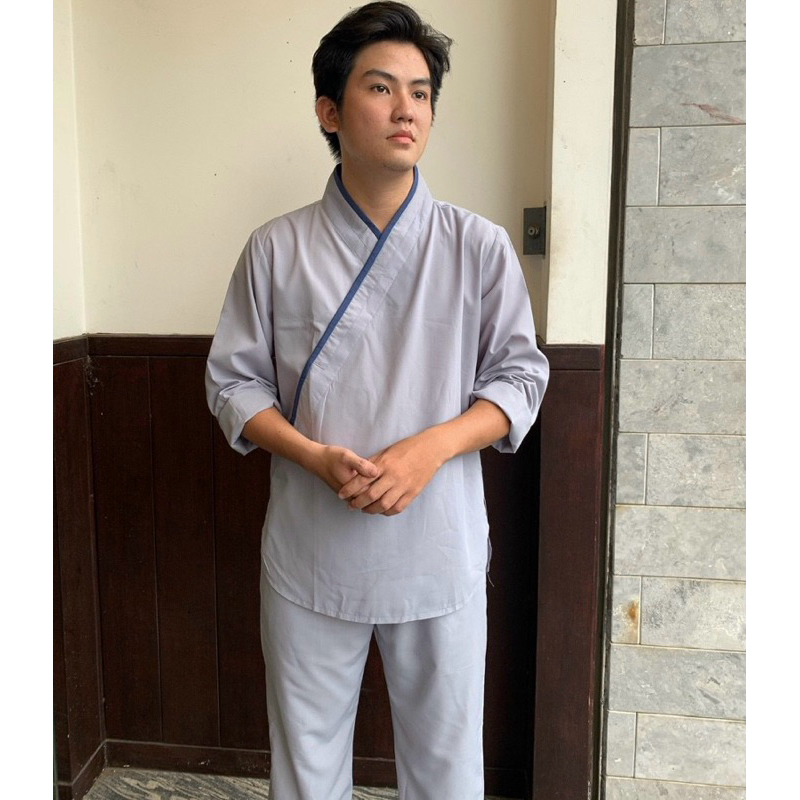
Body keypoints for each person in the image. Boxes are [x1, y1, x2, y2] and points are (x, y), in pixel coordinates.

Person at [205, 3, 549, 798]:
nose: (407, 110)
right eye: (382, 88)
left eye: (421, 93)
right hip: (312, 545)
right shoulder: (276, 249)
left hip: (436, 543)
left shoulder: (478, 246)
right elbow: (232, 383)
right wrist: (312, 455)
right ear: (329, 111)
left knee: (446, 767)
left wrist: (430, 448)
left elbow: (520, 378)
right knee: (307, 764)